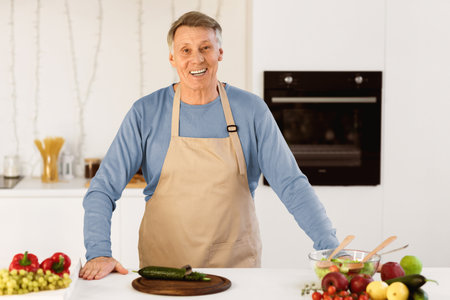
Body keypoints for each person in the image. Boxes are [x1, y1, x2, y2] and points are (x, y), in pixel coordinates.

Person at [79, 11, 339, 280]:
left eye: (206, 48)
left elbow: (291, 184)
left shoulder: (251, 110)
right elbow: (102, 189)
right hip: (164, 270)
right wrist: (98, 252)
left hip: (236, 269)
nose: (197, 59)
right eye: (186, 50)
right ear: (173, 58)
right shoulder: (146, 112)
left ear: (220, 53)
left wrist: (331, 247)